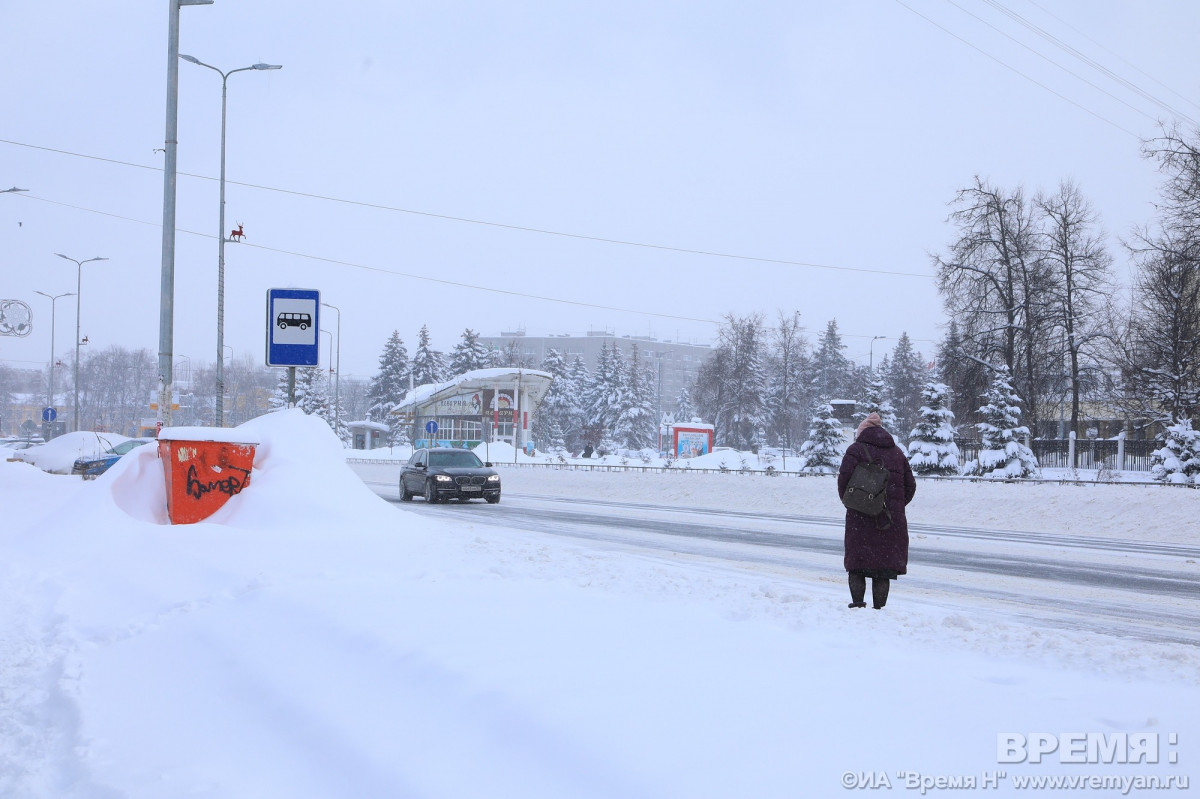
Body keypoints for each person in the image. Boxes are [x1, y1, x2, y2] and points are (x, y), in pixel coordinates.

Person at [837, 412, 916, 609]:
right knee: (883, 568)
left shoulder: (855, 450)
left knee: (858, 566)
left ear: (862, 432)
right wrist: (893, 506)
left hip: (859, 519)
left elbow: (843, 483)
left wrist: (859, 504)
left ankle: (857, 605)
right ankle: (879, 610)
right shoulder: (897, 453)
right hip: (889, 521)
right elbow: (910, 486)